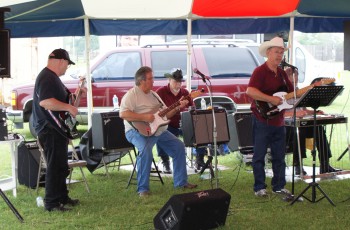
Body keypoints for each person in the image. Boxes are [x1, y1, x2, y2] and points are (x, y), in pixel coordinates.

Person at [119, 66, 197, 197]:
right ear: (142, 80)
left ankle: (181, 182)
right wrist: (144, 117)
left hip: (157, 130)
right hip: (135, 131)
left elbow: (166, 114)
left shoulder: (154, 95)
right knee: (145, 149)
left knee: (178, 146)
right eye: (150, 78)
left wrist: (178, 107)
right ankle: (143, 189)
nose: (153, 81)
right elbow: (123, 114)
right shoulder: (132, 94)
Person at [32, 48, 83, 212]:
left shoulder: (53, 78)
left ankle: (62, 197)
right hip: (49, 129)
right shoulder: (47, 77)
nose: (67, 68)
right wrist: (68, 106)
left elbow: (67, 104)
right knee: (55, 166)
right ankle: (51, 203)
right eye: (67, 64)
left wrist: (79, 94)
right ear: (61, 61)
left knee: (61, 165)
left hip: (56, 129)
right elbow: (46, 102)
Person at [246, 37, 294, 197]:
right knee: (259, 155)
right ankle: (259, 187)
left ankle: (279, 186)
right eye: (276, 52)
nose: (279, 55)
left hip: (278, 121)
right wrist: (271, 99)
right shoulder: (259, 71)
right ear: (268, 53)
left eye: (281, 52)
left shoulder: (282, 73)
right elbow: (250, 91)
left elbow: (290, 94)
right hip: (262, 119)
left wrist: (307, 89)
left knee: (279, 156)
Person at [284, 75, 341, 175]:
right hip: (287, 126)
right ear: (286, 78)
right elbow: (280, 113)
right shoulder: (281, 93)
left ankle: (324, 164)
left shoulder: (299, 91)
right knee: (299, 131)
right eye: (293, 78)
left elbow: (304, 110)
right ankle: (298, 164)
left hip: (300, 122)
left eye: (297, 78)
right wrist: (294, 114)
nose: (295, 81)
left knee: (319, 128)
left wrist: (315, 112)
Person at [155, 68, 198, 173]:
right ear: (169, 80)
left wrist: (189, 111)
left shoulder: (185, 93)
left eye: (180, 82)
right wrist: (177, 108)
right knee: (161, 130)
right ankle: (165, 161)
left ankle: (200, 159)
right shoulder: (160, 92)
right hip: (168, 124)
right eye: (175, 81)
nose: (178, 84)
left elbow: (192, 109)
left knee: (198, 129)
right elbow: (158, 113)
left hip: (184, 123)